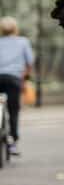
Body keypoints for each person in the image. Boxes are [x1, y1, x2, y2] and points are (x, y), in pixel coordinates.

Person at [0, 17, 35, 156]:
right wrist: (24, 77)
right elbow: (29, 63)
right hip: (14, 79)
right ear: (15, 29)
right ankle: (13, 142)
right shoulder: (23, 42)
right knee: (14, 110)